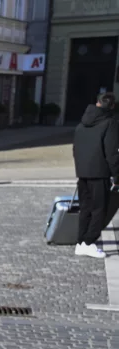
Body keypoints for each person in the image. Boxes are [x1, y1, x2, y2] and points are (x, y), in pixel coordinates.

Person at [72, 92, 119, 258]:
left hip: (83, 173)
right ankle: (89, 242)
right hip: (100, 173)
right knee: (100, 210)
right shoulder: (110, 123)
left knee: (85, 209)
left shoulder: (82, 123)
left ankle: (81, 243)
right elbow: (112, 153)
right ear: (112, 106)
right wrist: (117, 175)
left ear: (97, 103)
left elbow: (75, 149)